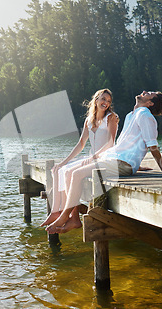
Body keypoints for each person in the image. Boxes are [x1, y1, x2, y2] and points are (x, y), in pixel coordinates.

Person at [46, 90, 162, 234]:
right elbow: (126, 146)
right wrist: (137, 165)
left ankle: (65, 217)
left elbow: (152, 145)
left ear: (150, 103)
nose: (144, 92)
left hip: (122, 163)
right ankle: (73, 218)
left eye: (149, 93)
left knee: (77, 174)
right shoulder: (131, 115)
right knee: (70, 172)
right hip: (114, 159)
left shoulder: (145, 115)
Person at [40, 89, 119, 232]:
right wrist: (63, 162)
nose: (106, 103)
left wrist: (94, 157)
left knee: (71, 172)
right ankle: (63, 214)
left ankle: (68, 216)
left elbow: (110, 143)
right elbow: (81, 143)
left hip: (105, 158)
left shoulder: (111, 117)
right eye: (103, 99)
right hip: (91, 157)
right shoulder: (89, 120)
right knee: (60, 170)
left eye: (108, 101)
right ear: (96, 100)